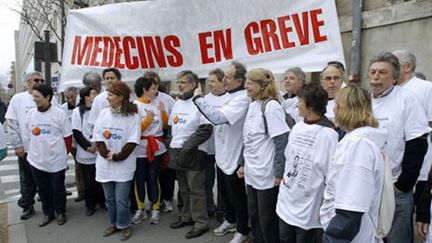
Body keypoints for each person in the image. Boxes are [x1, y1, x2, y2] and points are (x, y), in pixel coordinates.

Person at [369, 51, 430, 243]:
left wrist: (402, 185)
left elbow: (418, 144)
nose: (376, 77)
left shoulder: (407, 100)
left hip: (395, 189)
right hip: (367, 187)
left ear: (395, 77)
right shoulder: (364, 101)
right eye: (373, 72)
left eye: (382, 72)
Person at [193, 61, 251, 243]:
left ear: (239, 80)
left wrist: (197, 98)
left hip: (234, 157)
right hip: (222, 156)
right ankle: (231, 220)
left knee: (238, 197)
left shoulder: (242, 98)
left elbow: (218, 117)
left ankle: (242, 230)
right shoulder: (230, 96)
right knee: (226, 195)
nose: (224, 80)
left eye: (228, 77)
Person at [320, 85, 387, 243]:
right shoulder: (356, 141)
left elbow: (351, 211)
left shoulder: (359, 147)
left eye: (337, 105)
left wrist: (332, 239)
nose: (334, 110)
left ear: (345, 109)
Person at [277, 83, 338, 243]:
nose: (297, 104)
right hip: (287, 199)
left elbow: (331, 174)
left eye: (300, 101)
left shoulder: (328, 134)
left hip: (308, 205)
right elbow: (288, 157)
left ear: (310, 106)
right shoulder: (297, 127)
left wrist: (326, 205)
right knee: (284, 238)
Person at [238, 68, 289, 243]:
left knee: (267, 218)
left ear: (261, 86)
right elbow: (248, 139)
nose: (247, 86)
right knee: (254, 216)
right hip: (252, 173)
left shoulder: (271, 107)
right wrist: (242, 164)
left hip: (267, 175)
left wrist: (278, 172)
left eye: (251, 82)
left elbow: (282, 141)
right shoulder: (253, 104)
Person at [92, 81, 140, 241]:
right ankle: (113, 223)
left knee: (121, 199)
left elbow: (133, 140)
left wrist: (119, 156)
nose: (108, 98)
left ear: (120, 97)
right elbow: (98, 135)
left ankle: (124, 225)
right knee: (110, 199)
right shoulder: (104, 113)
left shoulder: (133, 116)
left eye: (110, 95)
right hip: (105, 164)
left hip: (123, 164)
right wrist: (105, 153)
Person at [168, 70, 213, 239]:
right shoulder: (177, 103)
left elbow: (206, 129)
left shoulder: (200, 102)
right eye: (178, 82)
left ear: (194, 85)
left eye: (183, 82)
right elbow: (173, 127)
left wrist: (187, 147)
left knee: (196, 190)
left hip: (194, 153)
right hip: (177, 151)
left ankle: (201, 222)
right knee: (184, 189)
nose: (180, 85)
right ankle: (186, 216)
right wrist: (171, 144)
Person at [25, 83, 72, 227]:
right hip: (36, 160)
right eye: (33, 97)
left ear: (48, 97)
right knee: (43, 189)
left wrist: (63, 155)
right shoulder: (31, 114)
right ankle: (48, 213)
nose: (35, 100)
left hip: (56, 160)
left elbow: (68, 137)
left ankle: (60, 212)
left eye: (38, 97)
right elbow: (28, 135)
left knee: (58, 188)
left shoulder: (59, 114)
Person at [393, 50, 432, 211]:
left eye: (394, 65)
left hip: (421, 168)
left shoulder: (426, 88)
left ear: (408, 66)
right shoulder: (391, 91)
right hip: (394, 171)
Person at [130, 76, 168, 225]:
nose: (156, 91)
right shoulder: (134, 106)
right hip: (140, 148)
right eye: (153, 88)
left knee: (153, 178)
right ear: (144, 90)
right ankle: (140, 209)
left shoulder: (158, 103)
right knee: (139, 178)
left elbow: (164, 127)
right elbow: (134, 130)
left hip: (156, 148)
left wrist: (164, 114)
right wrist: (148, 120)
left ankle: (156, 208)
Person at [5, 71, 42, 220]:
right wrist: (18, 145)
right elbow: (12, 124)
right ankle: (27, 205)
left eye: (41, 80)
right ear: (28, 83)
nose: (38, 82)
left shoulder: (49, 97)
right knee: (27, 179)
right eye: (35, 80)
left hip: (44, 149)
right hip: (26, 149)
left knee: (45, 179)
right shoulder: (18, 99)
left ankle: (50, 205)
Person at [143, 71, 175, 213]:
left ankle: (167, 199)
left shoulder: (167, 99)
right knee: (151, 175)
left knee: (166, 172)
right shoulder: (140, 100)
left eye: (155, 83)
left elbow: (174, 119)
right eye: (149, 83)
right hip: (146, 143)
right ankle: (153, 199)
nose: (153, 87)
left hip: (164, 138)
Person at [71, 86, 105, 216]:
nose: (96, 96)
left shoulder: (101, 111)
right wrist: (88, 146)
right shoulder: (77, 112)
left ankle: (102, 201)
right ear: (86, 96)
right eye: (93, 93)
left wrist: (98, 145)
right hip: (86, 152)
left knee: (101, 180)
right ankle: (90, 205)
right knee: (89, 181)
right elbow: (77, 132)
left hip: (99, 150)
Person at [202, 68, 230, 219]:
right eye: (208, 81)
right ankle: (208, 207)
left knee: (223, 183)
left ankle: (222, 209)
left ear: (222, 82)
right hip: (207, 147)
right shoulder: (204, 99)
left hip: (223, 148)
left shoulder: (229, 99)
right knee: (207, 180)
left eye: (213, 81)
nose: (210, 84)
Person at [61, 86, 85, 202]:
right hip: (72, 143)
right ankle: (81, 192)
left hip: (84, 140)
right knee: (78, 167)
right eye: (67, 98)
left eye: (72, 97)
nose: (70, 100)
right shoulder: (63, 109)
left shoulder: (83, 106)